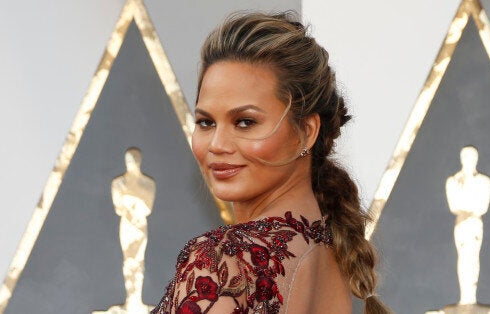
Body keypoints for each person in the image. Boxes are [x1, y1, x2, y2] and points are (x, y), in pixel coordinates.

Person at [152, 12, 390, 314]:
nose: (217, 145)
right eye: (206, 122)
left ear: (306, 131)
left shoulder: (223, 260)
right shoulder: (338, 260)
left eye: (245, 122)